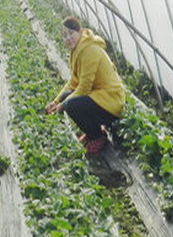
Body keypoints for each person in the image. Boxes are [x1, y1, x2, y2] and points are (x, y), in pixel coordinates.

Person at [45, 16, 125, 155]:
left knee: (71, 105)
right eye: (64, 36)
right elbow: (73, 82)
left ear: (80, 31)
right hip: (99, 96)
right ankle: (93, 130)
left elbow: (84, 88)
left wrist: (63, 105)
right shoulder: (77, 50)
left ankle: (97, 137)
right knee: (67, 96)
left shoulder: (89, 50)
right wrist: (56, 101)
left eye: (71, 33)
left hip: (111, 101)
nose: (68, 38)